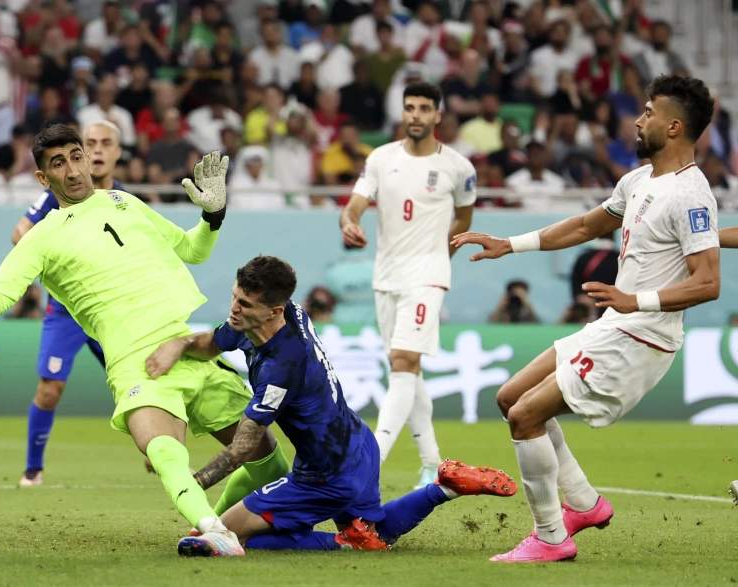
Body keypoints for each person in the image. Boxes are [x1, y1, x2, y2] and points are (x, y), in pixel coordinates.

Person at [0, 125, 289, 554]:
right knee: (164, 449)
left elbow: (193, 250)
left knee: (270, 461)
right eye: (58, 163)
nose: (73, 169)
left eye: (76, 156)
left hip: (190, 346)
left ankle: (218, 526)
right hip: (139, 366)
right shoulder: (41, 236)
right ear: (44, 178)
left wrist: (212, 216)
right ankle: (211, 526)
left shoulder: (124, 201)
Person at [451, 75, 719, 563]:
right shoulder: (637, 180)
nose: (638, 121)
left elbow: (707, 283)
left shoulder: (692, 194)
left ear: (675, 126)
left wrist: (637, 301)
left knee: (525, 416)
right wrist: (509, 244)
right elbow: (582, 226)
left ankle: (551, 538)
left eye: (649, 113)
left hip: (642, 336)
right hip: (615, 325)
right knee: (509, 397)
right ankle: (585, 504)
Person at [145, 256, 517, 556]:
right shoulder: (274, 317)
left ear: (274, 310)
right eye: (234, 296)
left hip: (323, 476)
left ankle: (343, 541)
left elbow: (244, 447)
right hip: (358, 444)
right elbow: (213, 341)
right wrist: (178, 344)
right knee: (376, 534)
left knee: (229, 535)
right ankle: (444, 487)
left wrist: (192, 483)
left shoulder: (281, 365)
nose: (234, 309)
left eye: (244, 303)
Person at [338, 82, 477, 488]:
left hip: (428, 276)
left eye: (423, 108)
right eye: (409, 107)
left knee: (402, 362)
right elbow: (354, 206)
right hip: (386, 277)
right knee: (407, 372)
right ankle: (433, 464)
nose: (415, 115)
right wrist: (350, 223)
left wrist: (438, 261)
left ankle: (373, 458)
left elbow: (464, 221)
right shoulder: (381, 159)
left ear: (438, 115)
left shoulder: (458, 168)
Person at [10, 121, 123, 487]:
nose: (99, 150)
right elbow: (20, 233)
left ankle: (159, 452)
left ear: (117, 153)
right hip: (66, 312)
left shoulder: (124, 200)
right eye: (91, 143)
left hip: (111, 310)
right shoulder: (53, 197)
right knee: (49, 388)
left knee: (143, 383)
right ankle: (33, 469)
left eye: (107, 143)